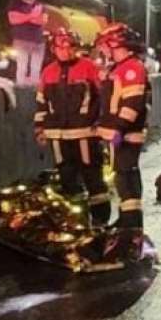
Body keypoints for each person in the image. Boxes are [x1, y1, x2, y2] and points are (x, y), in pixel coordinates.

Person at [33, 28, 110, 226]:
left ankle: (100, 221)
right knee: (67, 180)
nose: (65, 51)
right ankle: (78, 223)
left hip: (85, 134)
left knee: (93, 177)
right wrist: (40, 128)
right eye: (61, 47)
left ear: (76, 48)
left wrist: (102, 124)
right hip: (57, 136)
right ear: (54, 49)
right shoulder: (48, 72)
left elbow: (104, 97)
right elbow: (41, 102)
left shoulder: (89, 67)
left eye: (70, 47)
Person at [95, 23, 151, 252]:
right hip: (120, 133)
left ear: (116, 45)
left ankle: (132, 227)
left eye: (106, 46)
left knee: (126, 178)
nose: (103, 50)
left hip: (127, 134)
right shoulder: (119, 68)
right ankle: (127, 221)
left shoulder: (131, 68)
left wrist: (119, 128)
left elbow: (132, 103)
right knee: (122, 177)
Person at [6, 0, 48, 86]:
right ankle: (21, 91)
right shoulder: (14, 5)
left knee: (35, 69)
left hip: (38, 42)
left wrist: (23, 17)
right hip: (21, 41)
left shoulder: (41, 6)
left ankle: (33, 92)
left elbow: (42, 21)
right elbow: (12, 20)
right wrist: (32, 16)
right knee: (22, 67)